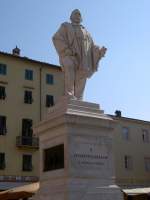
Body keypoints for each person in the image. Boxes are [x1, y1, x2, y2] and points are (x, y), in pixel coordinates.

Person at [52, 9, 107, 100]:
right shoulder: (65, 26)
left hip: (83, 58)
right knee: (69, 67)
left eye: (79, 15)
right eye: (75, 14)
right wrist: (66, 49)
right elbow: (56, 38)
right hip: (69, 54)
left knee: (82, 75)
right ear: (71, 17)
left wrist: (99, 51)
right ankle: (69, 93)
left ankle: (79, 97)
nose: (77, 16)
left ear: (81, 18)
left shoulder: (86, 32)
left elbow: (92, 46)